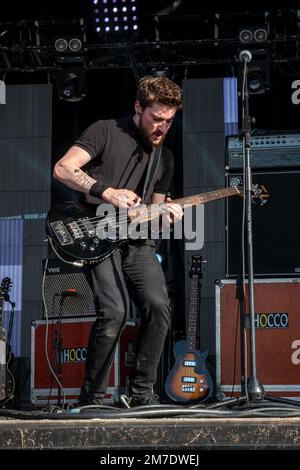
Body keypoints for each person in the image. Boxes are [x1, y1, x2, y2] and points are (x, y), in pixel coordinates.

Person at [53, 75, 183, 406]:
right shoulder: (105, 130)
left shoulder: (164, 158)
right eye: (156, 118)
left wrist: (164, 214)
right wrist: (106, 191)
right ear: (138, 107)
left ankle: (141, 395)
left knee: (158, 305)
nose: (161, 127)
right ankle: (92, 398)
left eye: (169, 121)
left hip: (136, 239)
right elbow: (64, 168)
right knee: (114, 311)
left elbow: (151, 210)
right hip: (95, 231)